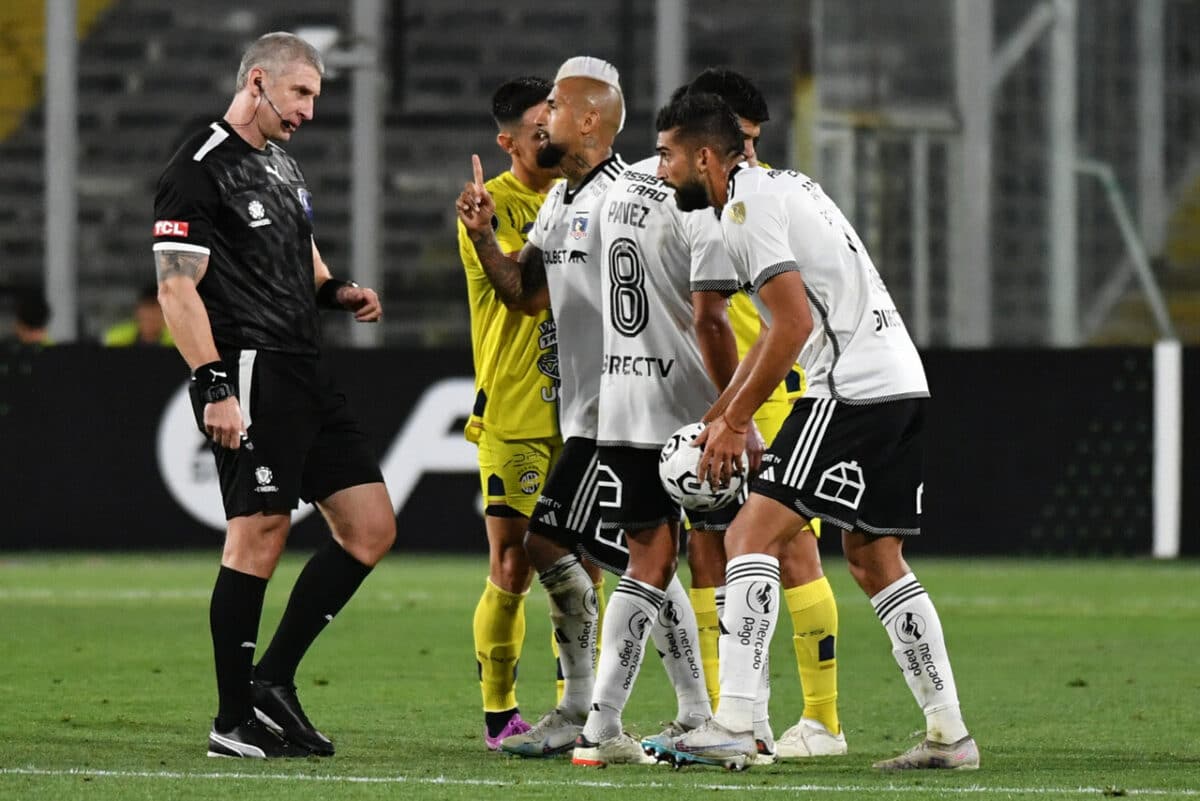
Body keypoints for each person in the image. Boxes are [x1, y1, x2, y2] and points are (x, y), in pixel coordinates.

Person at [651, 93, 979, 771]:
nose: (661, 171)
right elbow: (786, 324)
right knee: (873, 560)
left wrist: (736, 420)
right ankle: (949, 731)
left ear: (705, 157)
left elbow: (792, 324)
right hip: (899, 379)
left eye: (668, 155)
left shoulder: (746, 206)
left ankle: (737, 722)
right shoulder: (787, 186)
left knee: (748, 535)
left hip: (850, 388)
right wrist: (724, 417)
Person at [152, 32, 396, 759]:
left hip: (303, 366)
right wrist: (214, 385)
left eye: (315, 97)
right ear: (257, 83)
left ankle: (273, 681)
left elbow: (299, 252)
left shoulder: (281, 162)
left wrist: (336, 289)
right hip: (250, 368)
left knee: (371, 527)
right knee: (259, 532)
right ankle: (232, 718)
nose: (310, 111)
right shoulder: (198, 167)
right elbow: (175, 286)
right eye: (301, 95)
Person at [458, 57, 683, 763]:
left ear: (586, 120)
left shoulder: (636, 193)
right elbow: (524, 295)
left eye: (554, 106)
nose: (545, 117)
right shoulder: (561, 201)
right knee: (602, 551)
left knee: (629, 554)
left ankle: (609, 714)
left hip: (631, 411)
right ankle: (604, 712)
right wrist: (484, 235)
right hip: (582, 416)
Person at [675, 68, 845, 762]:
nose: (747, 152)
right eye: (739, 139)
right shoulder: (719, 191)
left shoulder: (742, 196)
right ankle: (737, 714)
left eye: (753, 140)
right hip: (728, 397)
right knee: (712, 552)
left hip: (757, 393)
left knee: (786, 547)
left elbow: (713, 319)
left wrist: (732, 416)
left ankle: (818, 719)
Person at [568, 139, 753, 765]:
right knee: (724, 554)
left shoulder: (623, 188)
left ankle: (692, 712)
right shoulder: (702, 205)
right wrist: (734, 410)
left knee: (651, 557)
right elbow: (711, 318)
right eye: (741, 146)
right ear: (710, 148)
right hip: (687, 410)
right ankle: (724, 721)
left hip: (620, 396)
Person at [458, 76, 604, 751]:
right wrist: (486, 231)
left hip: (581, 412)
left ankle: (573, 704)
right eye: (536, 129)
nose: (549, 136)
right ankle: (498, 712)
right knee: (513, 562)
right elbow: (530, 294)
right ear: (506, 141)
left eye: (554, 123)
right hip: (516, 408)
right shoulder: (487, 206)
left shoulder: (588, 195)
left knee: (587, 561)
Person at [103, 283, 175, 346]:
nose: (150, 316)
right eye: (146, 314)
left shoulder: (177, 341)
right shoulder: (115, 338)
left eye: (156, 313)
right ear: (137, 312)